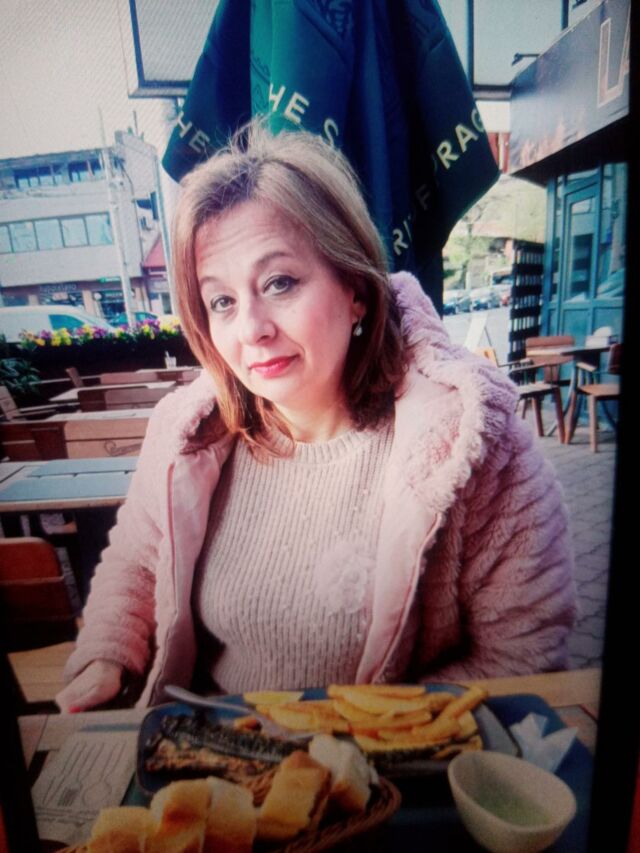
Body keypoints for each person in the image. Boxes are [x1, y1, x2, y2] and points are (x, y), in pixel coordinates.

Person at [56, 122, 576, 713]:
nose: (251, 329)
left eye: (280, 283)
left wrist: (357, 738)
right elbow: (136, 559)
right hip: (213, 752)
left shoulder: (474, 439)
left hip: (394, 760)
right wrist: (106, 655)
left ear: (355, 288)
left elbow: (526, 650)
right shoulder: (188, 434)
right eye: (222, 301)